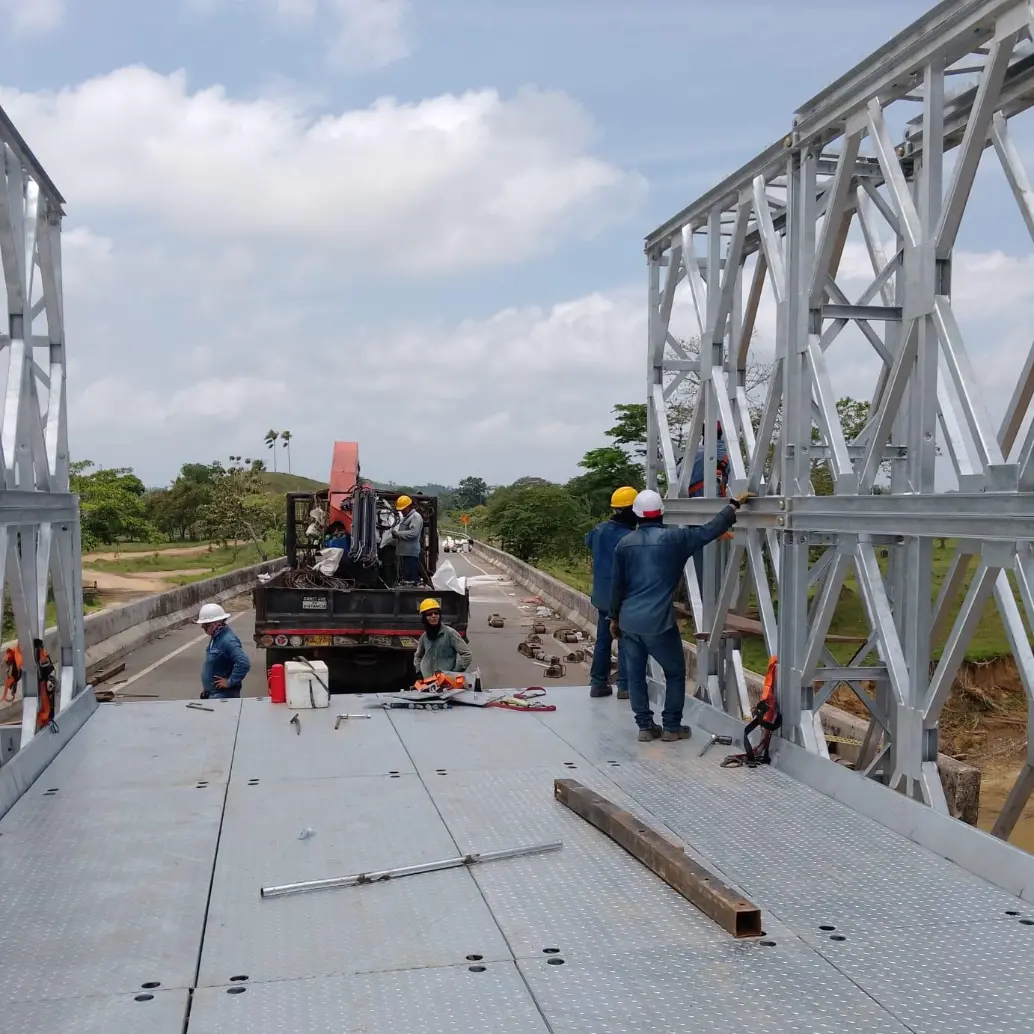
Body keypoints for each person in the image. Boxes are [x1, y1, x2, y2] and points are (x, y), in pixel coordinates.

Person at [609, 488, 748, 742]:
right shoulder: (676, 540)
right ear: (661, 513)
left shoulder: (624, 544)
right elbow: (709, 530)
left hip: (630, 621)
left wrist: (614, 619)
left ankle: (645, 727)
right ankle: (672, 726)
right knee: (674, 672)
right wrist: (733, 507)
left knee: (637, 674)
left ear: (637, 515)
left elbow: (617, 586)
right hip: (659, 622)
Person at [584, 486, 639, 699]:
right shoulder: (631, 537)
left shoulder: (598, 531)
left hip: (602, 597)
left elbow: (589, 542)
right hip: (624, 599)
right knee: (626, 642)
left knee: (603, 641)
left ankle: (598, 683)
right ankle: (624, 685)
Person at [686, 423, 730, 593]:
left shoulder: (694, 455)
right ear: (722, 434)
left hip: (693, 517)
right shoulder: (729, 456)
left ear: (703, 434)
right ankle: (719, 602)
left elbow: (678, 476)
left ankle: (698, 601)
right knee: (721, 564)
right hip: (721, 518)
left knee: (698, 563)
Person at [197, 602, 251, 699]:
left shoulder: (228, 640)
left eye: (206, 624)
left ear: (216, 623)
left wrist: (230, 682)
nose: (203, 627)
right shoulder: (216, 637)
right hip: (213, 694)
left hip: (223, 697)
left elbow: (243, 662)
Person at [413, 598, 473, 679]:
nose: (434, 616)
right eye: (430, 614)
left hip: (446, 682)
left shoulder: (450, 633)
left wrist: (453, 673)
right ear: (424, 618)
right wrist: (419, 671)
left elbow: (467, 654)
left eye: (436, 613)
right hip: (427, 681)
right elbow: (418, 656)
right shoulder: (424, 637)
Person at [392, 496, 424, 584]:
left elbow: (414, 533)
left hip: (411, 554)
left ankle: (412, 595)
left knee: (411, 580)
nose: (401, 511)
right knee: (405, 578)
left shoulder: (415, 517)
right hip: (404, 553)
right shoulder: (405, 517)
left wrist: (397, 534)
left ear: (409, 506)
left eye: (403, 509)